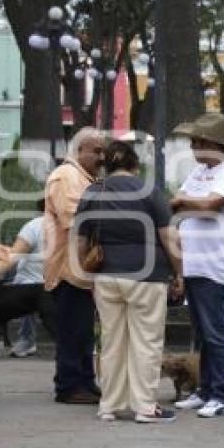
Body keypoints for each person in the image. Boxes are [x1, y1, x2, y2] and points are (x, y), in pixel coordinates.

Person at [76, 141, 184, 423]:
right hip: (147, 276)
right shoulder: (149, 191)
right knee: (146, 342)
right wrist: (179, 272)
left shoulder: (92, 191)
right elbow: (168, 237)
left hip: (106, 276)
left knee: (111, 341)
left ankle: (108, 405)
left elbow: (80, 240)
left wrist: (87, 274)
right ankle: (145, 407)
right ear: (135, 165)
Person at [170, 113, 224, 418]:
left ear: (211, 143)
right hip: (193, 261)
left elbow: (210, 205)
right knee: (202, 332)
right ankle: (205, 389)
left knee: (217, 330)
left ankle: (223, 394)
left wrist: (187, 201)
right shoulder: (200, 172)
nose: (192, 148)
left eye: (196, 142)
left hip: (216, 262)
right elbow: (177, 201)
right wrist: (190, 202)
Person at [44, 127, 106, 404]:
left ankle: (85, 381)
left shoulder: (84, 177)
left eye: (103, 151)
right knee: (73, 331)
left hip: (80, 269)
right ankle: (69, 385)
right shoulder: (66, 177)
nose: (101, 157)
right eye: (96, 151)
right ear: (78, 151)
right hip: (68, 270)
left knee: (82, 331)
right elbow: (74, 219)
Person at [0, 199, 49, 358]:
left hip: (31, 283)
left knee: (15, 291)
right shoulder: (68, 225)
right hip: (57, 281)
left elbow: (12, 257)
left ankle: (26, 340)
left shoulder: (34, 226)